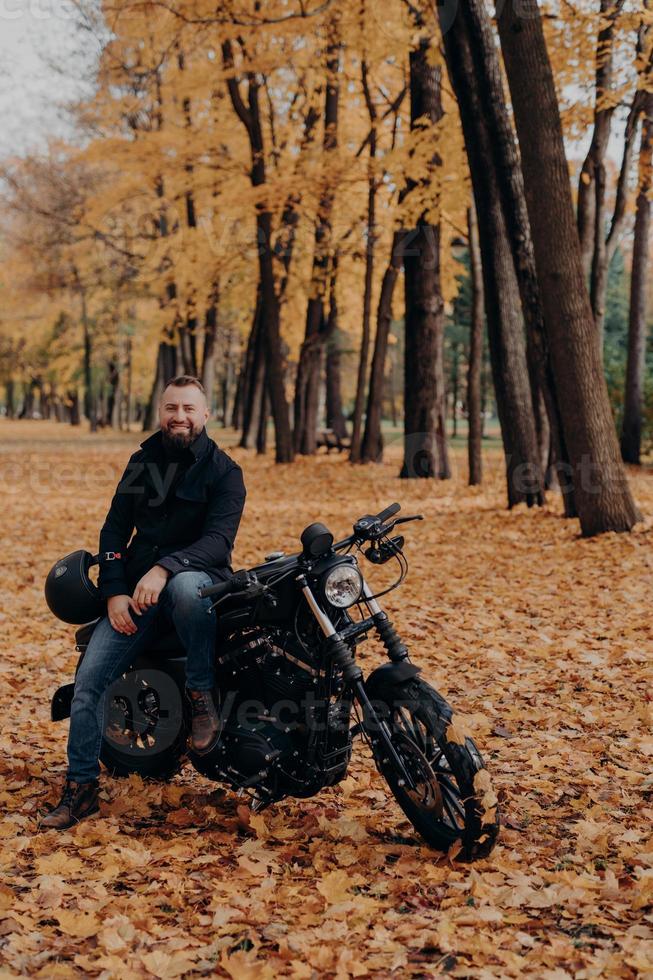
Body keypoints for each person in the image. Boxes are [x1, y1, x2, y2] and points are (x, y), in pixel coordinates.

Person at [40, 375, 246, 830]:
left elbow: (218, 541)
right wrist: (114, 591)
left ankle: (199, 694)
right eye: (171, 408)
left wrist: (167, 566)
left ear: (206, 415)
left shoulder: (225, 471)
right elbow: (114, 532)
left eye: (189, 409)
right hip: (134, 599)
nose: (179, 417)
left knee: (186, 587)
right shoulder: (141, 463)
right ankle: (81, 790)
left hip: (195, 589)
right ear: (160, 412)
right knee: (89, 682)